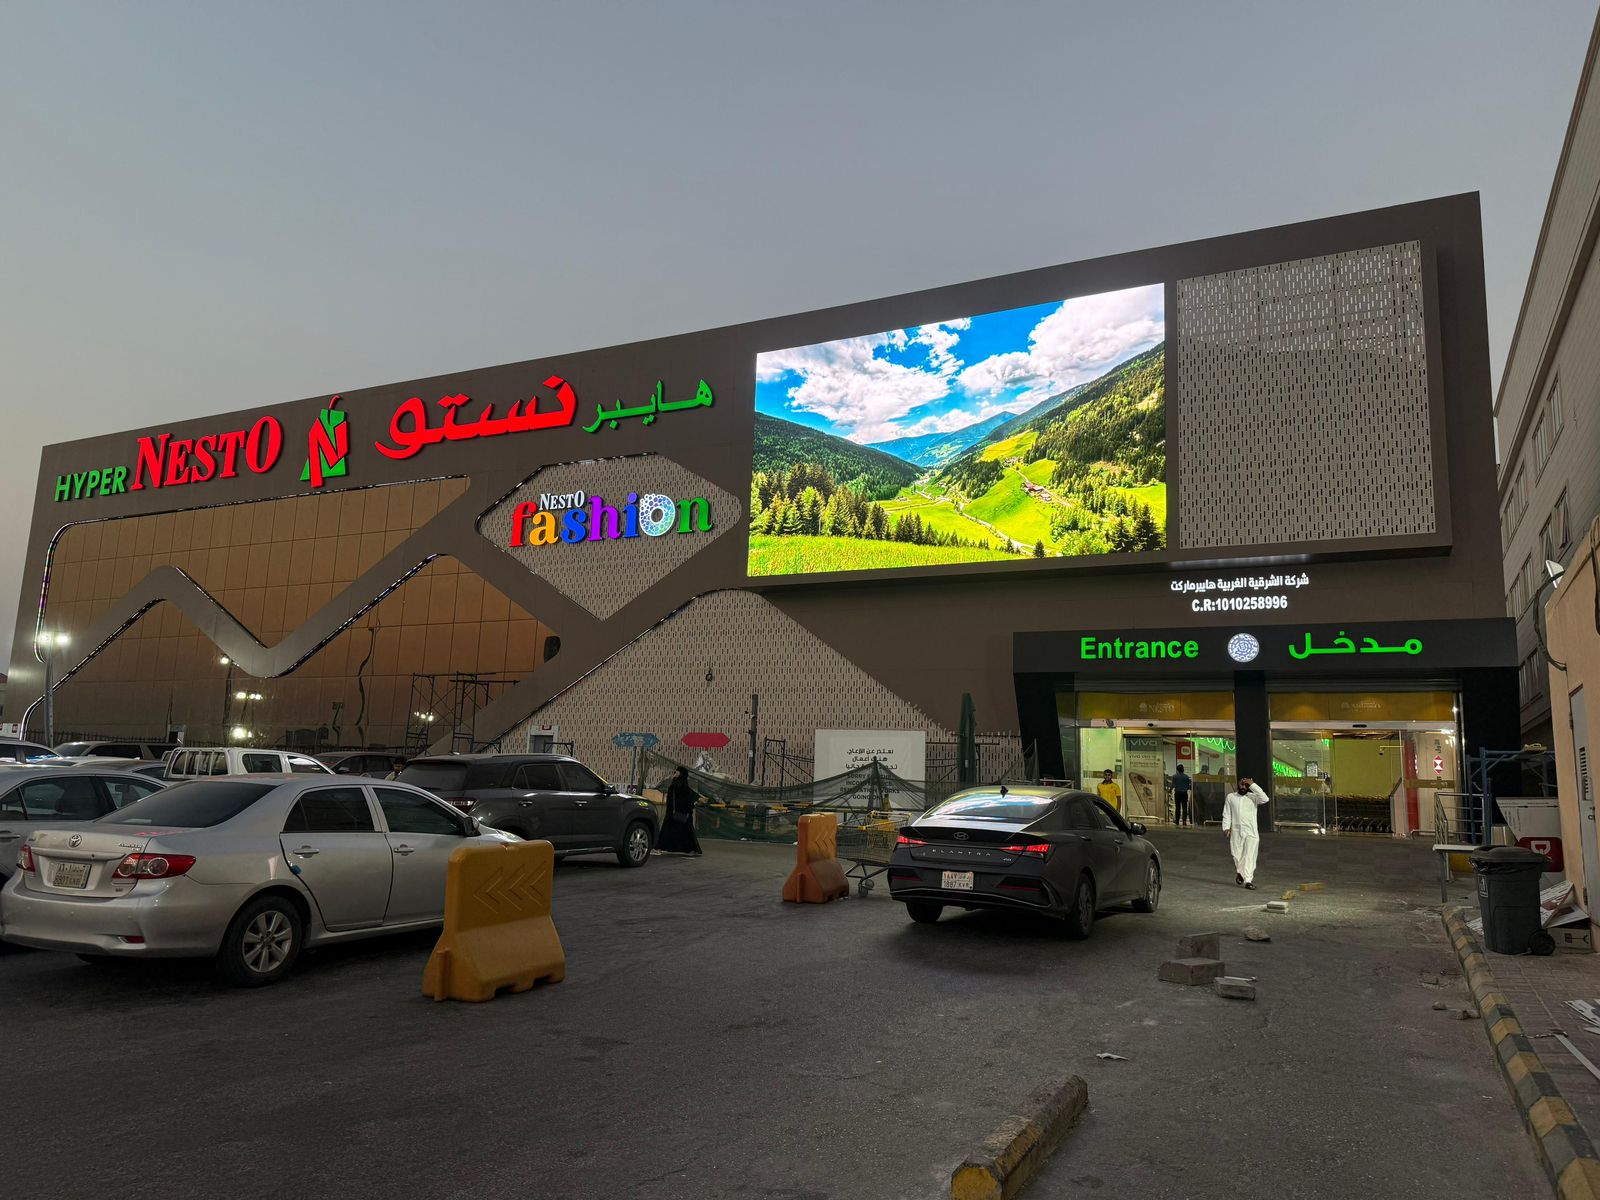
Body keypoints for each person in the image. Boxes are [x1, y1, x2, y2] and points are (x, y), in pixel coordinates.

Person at [1222, 775, 1270, 888]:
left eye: (1246, 784)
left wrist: (1252, 784)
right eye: (1242, 784)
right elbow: (1227, 813)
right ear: (1237, 784)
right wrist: (1226, 827)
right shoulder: (1231, 797)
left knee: (1249, 855)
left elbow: (1265, 798)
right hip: (1236, 831)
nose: (1243, 786)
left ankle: (1248, 880)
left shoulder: (1254, 797)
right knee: (1237, 854)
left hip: (1251, 831)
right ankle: (1240, 872)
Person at [657, 765, 703, 855]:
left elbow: (684, 796)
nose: (675, 772)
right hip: (678, 812)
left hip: (677, 812)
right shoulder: (679, 783)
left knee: (675, 829)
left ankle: (662, 847)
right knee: (681, 830)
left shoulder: (679, 784)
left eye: (677, 771)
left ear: (681, 773)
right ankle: (667, 847)